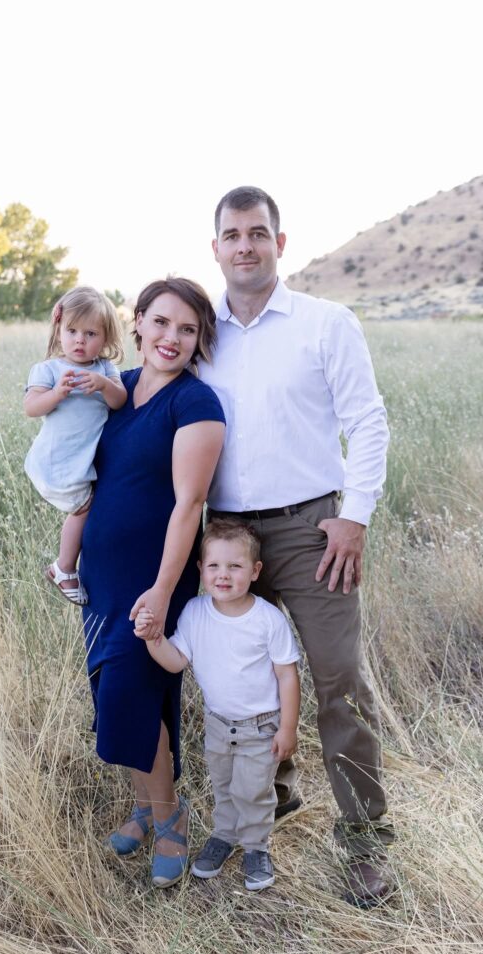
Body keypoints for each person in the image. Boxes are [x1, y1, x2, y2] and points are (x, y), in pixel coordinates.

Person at [198, 186, 394, 909]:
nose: (244, 245)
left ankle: (366, 843)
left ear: (280, 243)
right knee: (241, 682)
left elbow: (367, 421)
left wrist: (355, 515)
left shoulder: (323, 323)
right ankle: (268, 804)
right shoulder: (199, 331)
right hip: (225, 537)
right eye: (231, 234)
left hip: (312, 528)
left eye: (257, 233)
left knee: (339, 683)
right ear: (213, 247)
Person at [78, 277, 226, 888]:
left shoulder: (195, 404)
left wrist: (165, 590)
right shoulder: (123, 389)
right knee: (114, 691)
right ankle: (146, 807)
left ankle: (172, 820)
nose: (172, 337)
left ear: (199, 341)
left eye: (187, 329)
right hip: (103, 575)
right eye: (161, 322)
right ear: (136, 322)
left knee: (137, 697)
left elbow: (188, 504)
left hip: (153, 574)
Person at [134, 518, 300, 891]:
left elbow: (287, 676)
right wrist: (150, 638)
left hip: (262, 725)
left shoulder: (268, 620)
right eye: (214, 566)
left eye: (235, 566)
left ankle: (257, 847)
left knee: (253, 790)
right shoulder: (194, 613)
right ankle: (224, 836)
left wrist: (288, 728)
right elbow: (176, 660)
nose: (223, 575)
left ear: (255, 571)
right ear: (200, 570)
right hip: (219, 723)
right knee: (223, 786)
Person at [24, 286, 126, 604]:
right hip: (55, 459)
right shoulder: (49, 369)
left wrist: (104, 385)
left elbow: (120, 401)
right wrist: (57, 393)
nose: (80, 340)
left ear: (106, 338)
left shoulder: (105, 370)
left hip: (78, 461)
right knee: (83, 508)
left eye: (90, 333)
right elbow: (31, 407)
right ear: (59, 330)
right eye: (72, 331)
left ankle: (70, 565)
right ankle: (64, 568)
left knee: (89, 507)